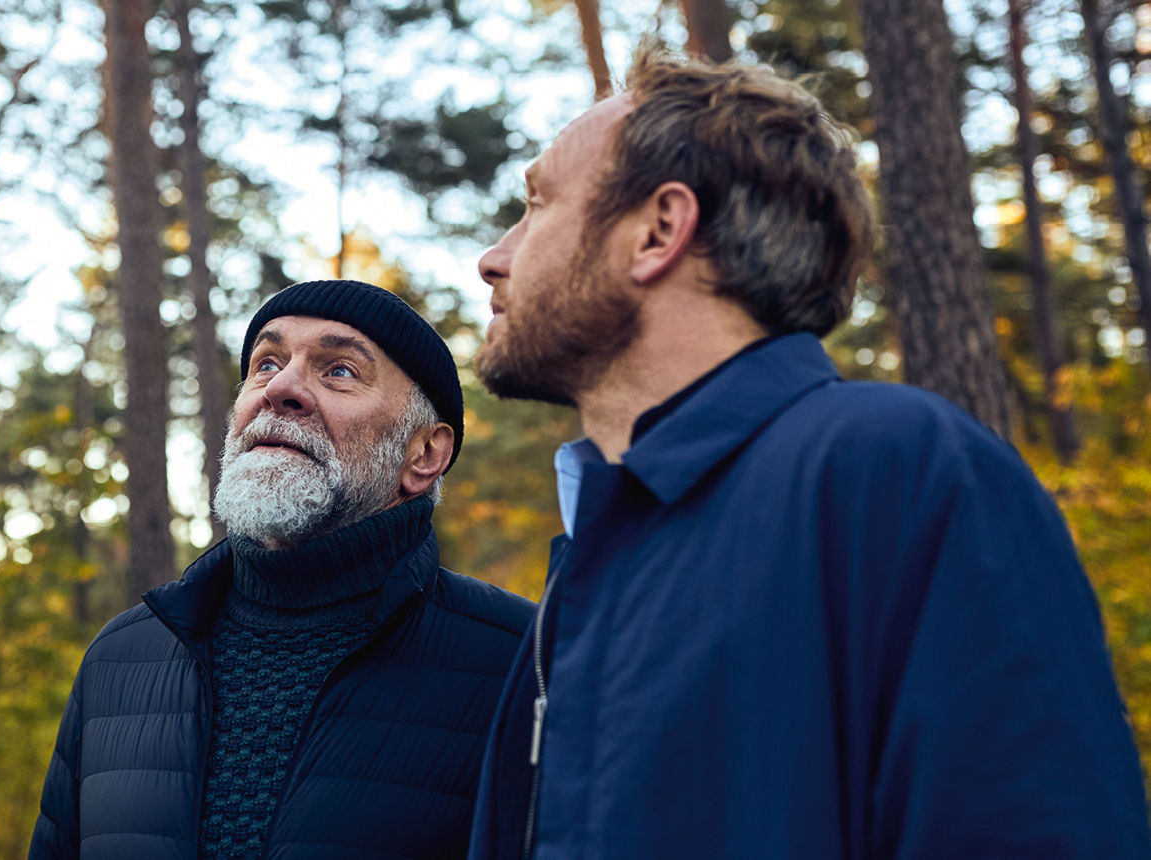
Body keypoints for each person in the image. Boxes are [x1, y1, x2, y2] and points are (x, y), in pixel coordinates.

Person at [468, 51, 1151, 859]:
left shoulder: (895, 470)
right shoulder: (586, 567)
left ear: (657, 231)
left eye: (537, 204)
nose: (494, 257)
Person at [30, 279, 534, 860]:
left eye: (339, 370)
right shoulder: (122, 658)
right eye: (266, 364)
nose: (282, 389)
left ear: (424, 454)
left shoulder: (525, 663)